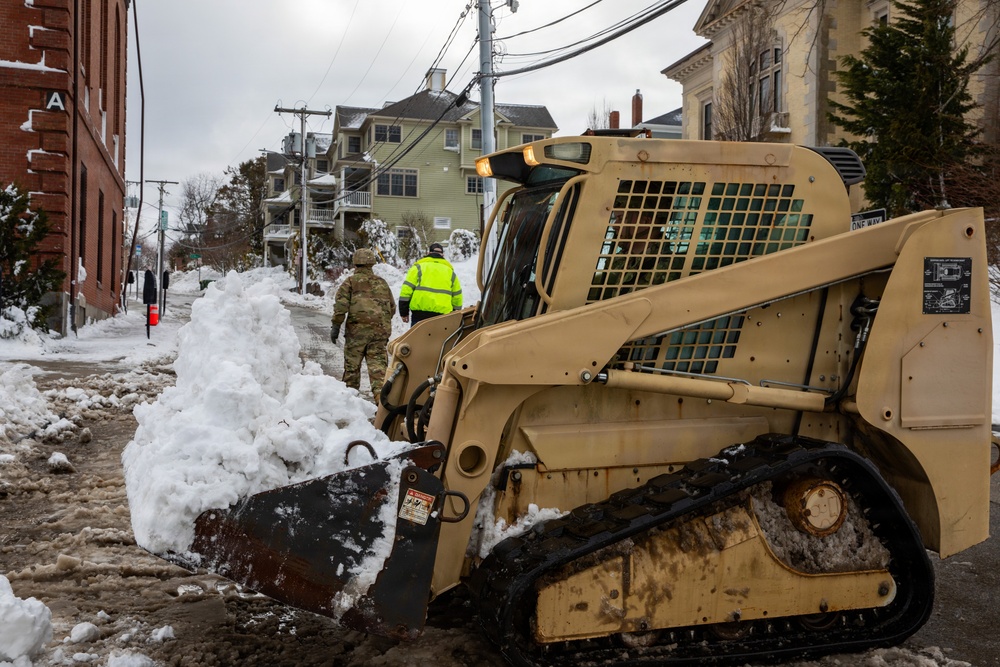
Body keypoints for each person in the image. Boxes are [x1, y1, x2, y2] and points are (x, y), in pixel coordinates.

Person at [331, 248, 395, 395]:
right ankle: (382, 405)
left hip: (356, 334)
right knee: (378, 370)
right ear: (372, 263)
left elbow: (341, 307)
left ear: (355, 264)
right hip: (379, 334)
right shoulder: (382, 283)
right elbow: (391, 308)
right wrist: (380, 323)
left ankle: (351, 402)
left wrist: (336, 326)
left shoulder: (350, 282)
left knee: (352, 370)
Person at [398, 241, 463, 327]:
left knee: (417, 340)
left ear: (428, 253)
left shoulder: (417, 268)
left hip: (419, 316)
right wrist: (455, 314)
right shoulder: (450, 272)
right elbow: (457, 296)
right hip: (442, 317)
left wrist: (404, 312)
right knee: (440, 340)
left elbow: (406, 291)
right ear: (442, 255)